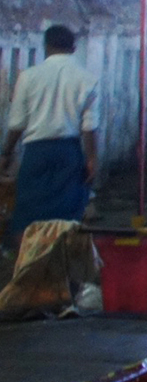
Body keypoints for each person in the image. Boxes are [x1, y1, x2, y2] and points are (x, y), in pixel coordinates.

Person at [2, 25, 99, 241]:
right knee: (68, 213)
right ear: (74, 48)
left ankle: (27, 266)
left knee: (28, 214)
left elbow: (17, 124)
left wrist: (6, 153)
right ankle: (61, 266)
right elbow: (89, 126)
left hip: (37, 152)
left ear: (46, 46)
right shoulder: (86, 79)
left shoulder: (28, 77)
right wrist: (92, 158)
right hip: (69, 152)